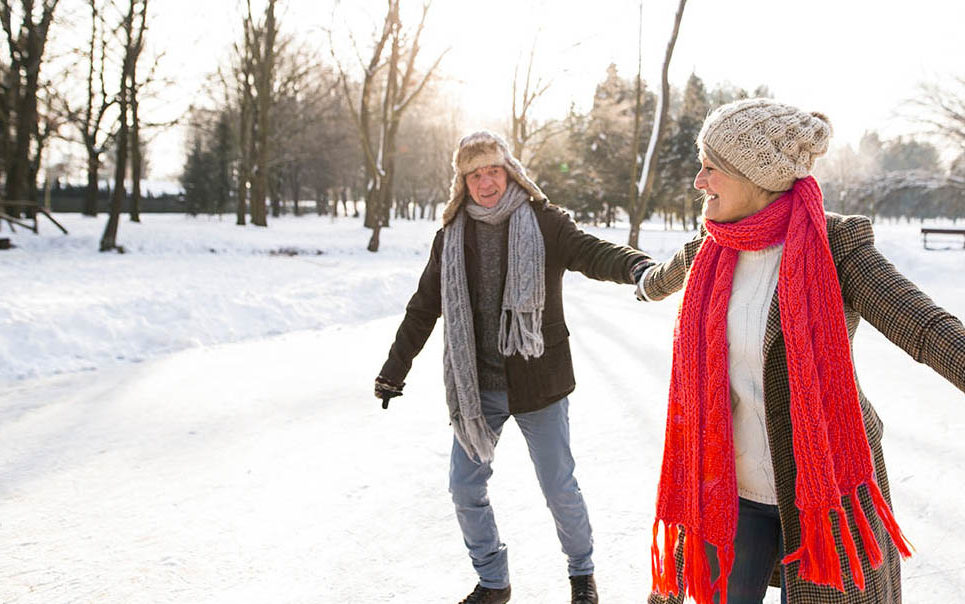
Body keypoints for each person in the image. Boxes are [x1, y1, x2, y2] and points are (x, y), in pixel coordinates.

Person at [636, 98, 965, 604]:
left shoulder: (833, 246)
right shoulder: (714, 244)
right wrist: (643, 282)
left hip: (823, 486)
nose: (698, 181)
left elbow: (923, 327)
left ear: (756, 177)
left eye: (710, 168)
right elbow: (666, 275)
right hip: (728, 486)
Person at [374, 130, 652, 604]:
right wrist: (393, 369)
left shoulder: (543, 223)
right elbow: (424, 307)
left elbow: (592, 252)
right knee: (464, 487)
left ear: (510, 172)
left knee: (558, 487)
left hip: (539, 382)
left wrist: (641, 269)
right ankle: (493, 580)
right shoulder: (451, 237)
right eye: (475, 174)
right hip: (477, 387)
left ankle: (582, 576)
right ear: (462, 181)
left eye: (493, 171)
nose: (486, 182)